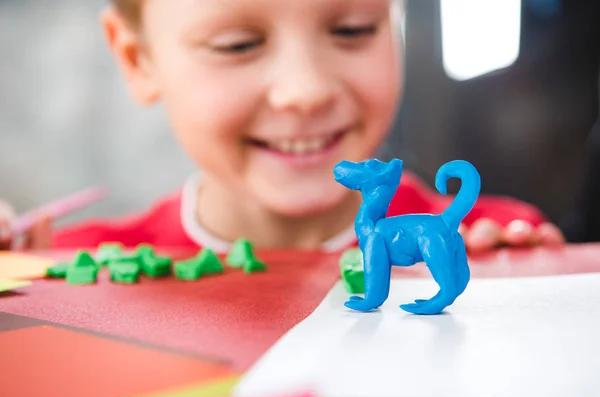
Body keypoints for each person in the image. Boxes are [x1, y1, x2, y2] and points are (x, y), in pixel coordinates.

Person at [0, 0, 564, 254]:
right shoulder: (71, 269)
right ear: (136, 60)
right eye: (237, 45)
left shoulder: (493, 243)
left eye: (352, 30)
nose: (306, 90)